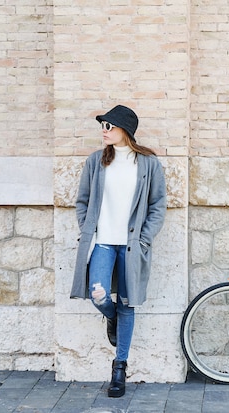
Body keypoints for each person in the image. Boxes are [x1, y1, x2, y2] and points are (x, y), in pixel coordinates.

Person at [70, 105, 167, 398]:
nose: (104, 131)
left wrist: (145, 239)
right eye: (103, 126)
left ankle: (119, 368)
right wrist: (88, 229)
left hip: (131, 245)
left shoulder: (148, 164)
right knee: (97, 292)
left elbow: (158, 205)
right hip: (102, 242)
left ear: (124, 130)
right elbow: (82, 202)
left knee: (128, 303)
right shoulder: (96, 161)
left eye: (109, 126)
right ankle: (109, 316)